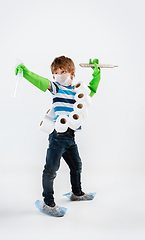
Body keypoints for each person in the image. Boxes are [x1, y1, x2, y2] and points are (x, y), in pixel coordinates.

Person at [15, 56, 101, 216]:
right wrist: (26, 73)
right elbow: (41, 82)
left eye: (63, 71)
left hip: (70, 135)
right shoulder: (55, 87)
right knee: (51, 170)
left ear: (72, 73)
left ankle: (77, 193)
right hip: (57, 136)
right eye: (56, 72)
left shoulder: (77, 91)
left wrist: (97, 75)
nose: (59, 74)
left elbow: (90, 91)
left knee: (77, 165)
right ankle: (48, 202)